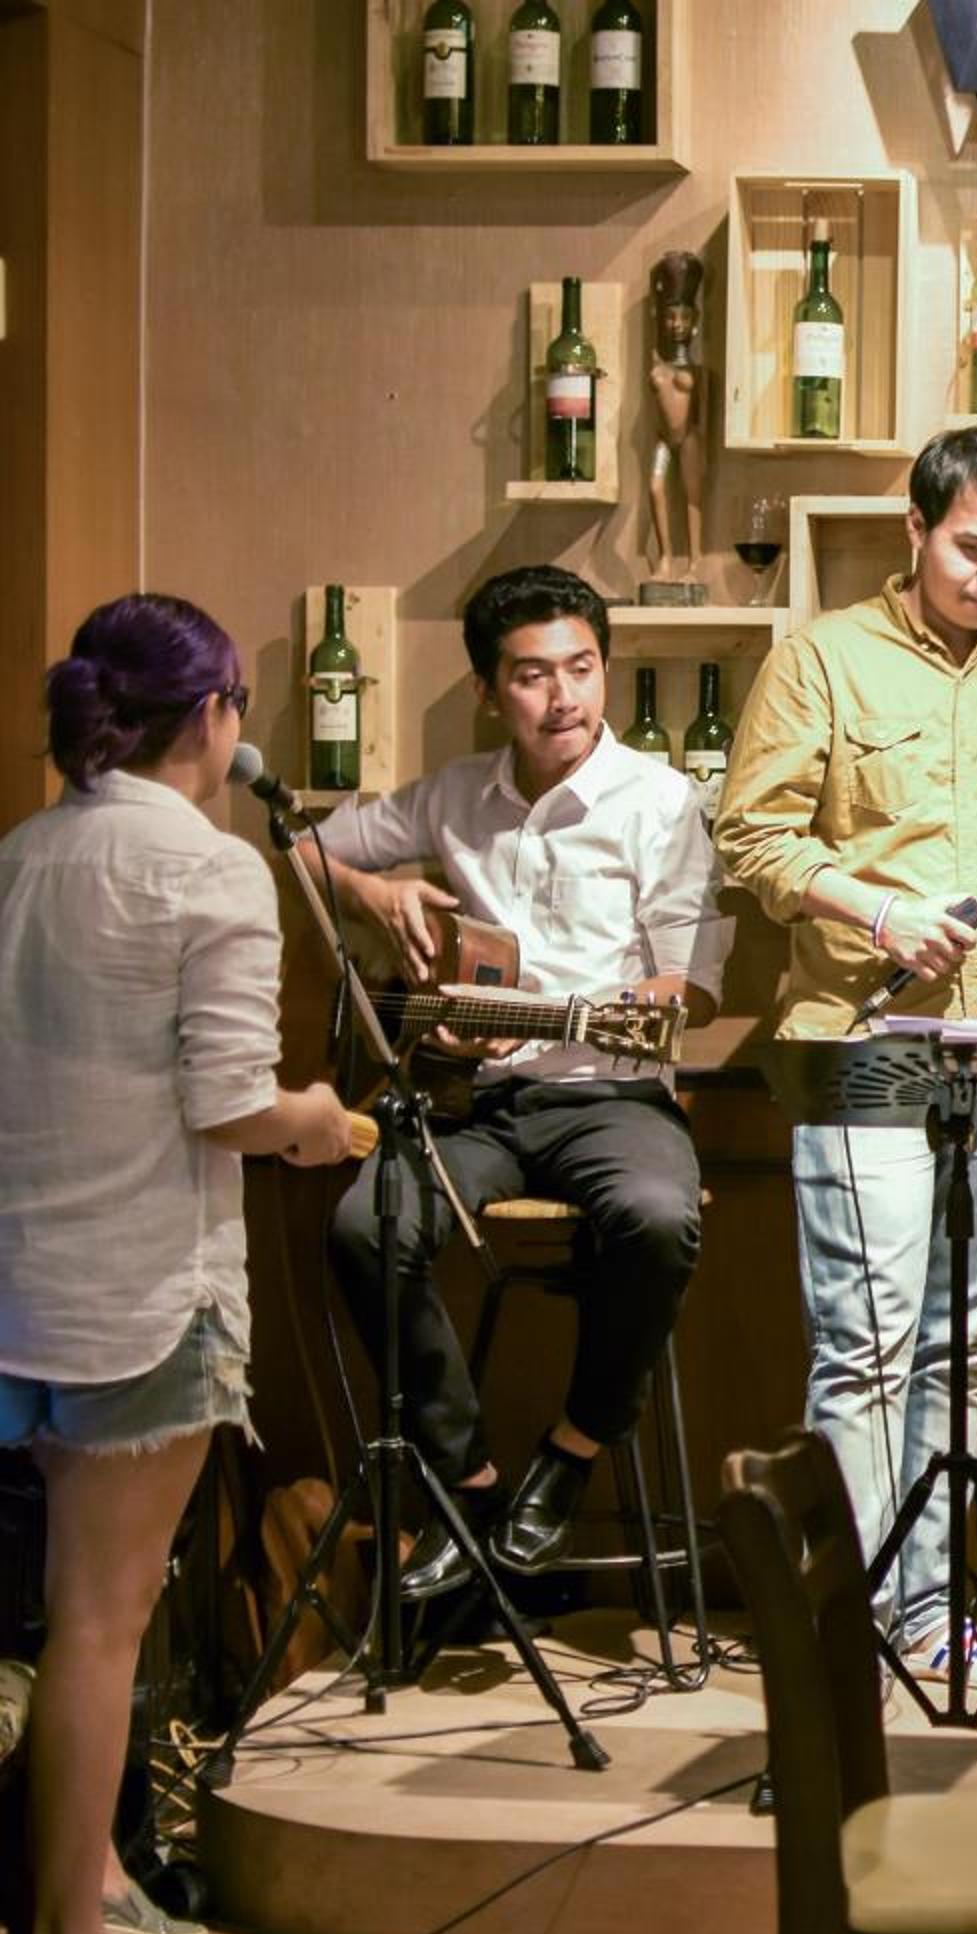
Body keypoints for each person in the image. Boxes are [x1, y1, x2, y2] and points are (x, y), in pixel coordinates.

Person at [716, 427, 977, 1678]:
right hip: (860, 1045)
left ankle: (929, 1609)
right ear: (917, 527)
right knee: (869, 1343)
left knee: (966, 1345)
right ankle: (846, 1627)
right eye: (974, 548)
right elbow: (750, 839)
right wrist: (877, 909)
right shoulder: (823, 657)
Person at [0, 595, 355, 1934]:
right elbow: (230, 1106)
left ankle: (79, 1904)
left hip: (21, 1291)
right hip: (141, 1298)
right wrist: (313, 1118)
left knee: (57, 1624)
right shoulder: (209, 870)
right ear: (213, 717)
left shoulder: (21, 855)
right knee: (100, 1628)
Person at [312, 565, 729, 1594]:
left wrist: (592, 1012)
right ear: (490, 690)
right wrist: (376, 894)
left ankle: (573, 1451)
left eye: (581, 668)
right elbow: (304, 849)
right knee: (365, 1226)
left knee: (656, 1216)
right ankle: (469, 1485)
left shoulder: (664, 802)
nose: (564, 697)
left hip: (613, 1097)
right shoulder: (456, 794)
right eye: (534, 676)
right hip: (475, 1104)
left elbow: (691, 987)